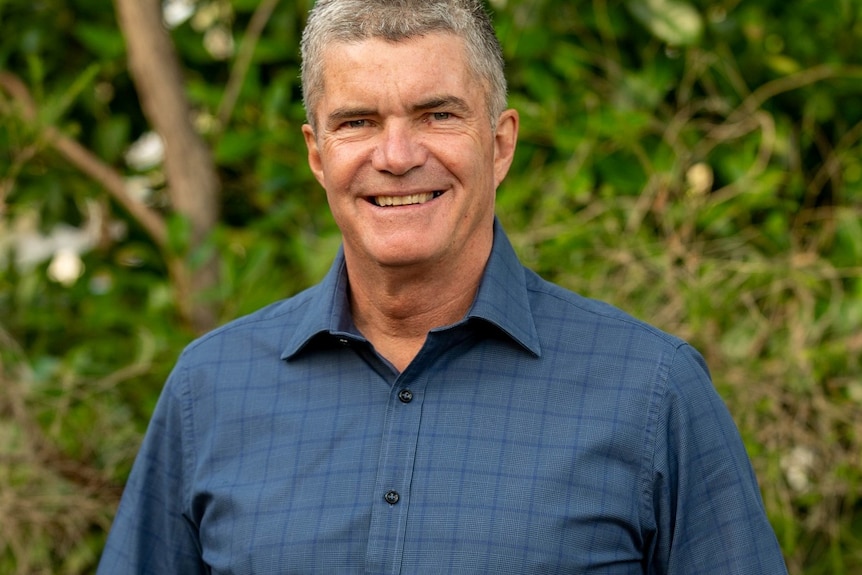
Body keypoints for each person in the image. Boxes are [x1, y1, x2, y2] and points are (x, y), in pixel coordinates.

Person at [97, 0, 789, 573]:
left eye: (437, 114)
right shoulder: (210, 391)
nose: (397, 157)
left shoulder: (652, 390)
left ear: (500, 143)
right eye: (358, 122)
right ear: (317, 153)